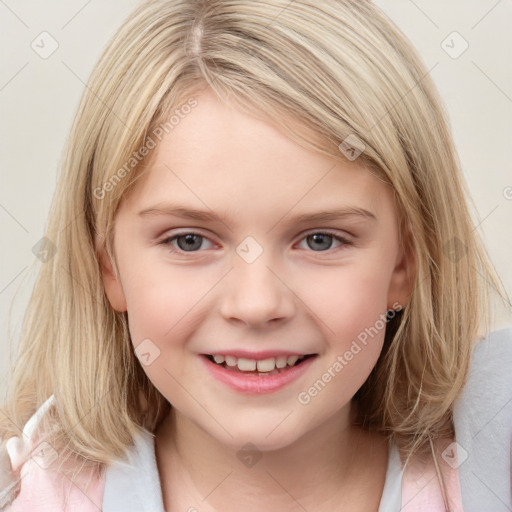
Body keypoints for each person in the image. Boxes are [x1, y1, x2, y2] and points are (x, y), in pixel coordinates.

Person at [1, 0, 510, 510]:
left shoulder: (489, 460)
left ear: (404, 264)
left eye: (320, 240)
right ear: (108, 266)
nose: (256, 304)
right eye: (189, 241)